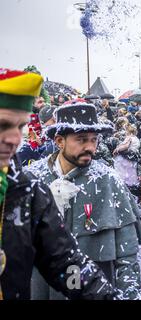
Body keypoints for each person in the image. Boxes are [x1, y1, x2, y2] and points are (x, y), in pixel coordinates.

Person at [0, 68, 117, 300]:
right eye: (3, 125)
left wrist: (105, 297)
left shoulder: (25, 190)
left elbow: (64, 264)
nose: (14, 138)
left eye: (20, 127)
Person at [25, 103, 141, 300]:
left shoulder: (109, 180)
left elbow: (127, 253)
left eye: (94, 140)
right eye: (81, 140)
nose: (90, 147)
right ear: (59, 141)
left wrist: (131, 292)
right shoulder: (31, 179)